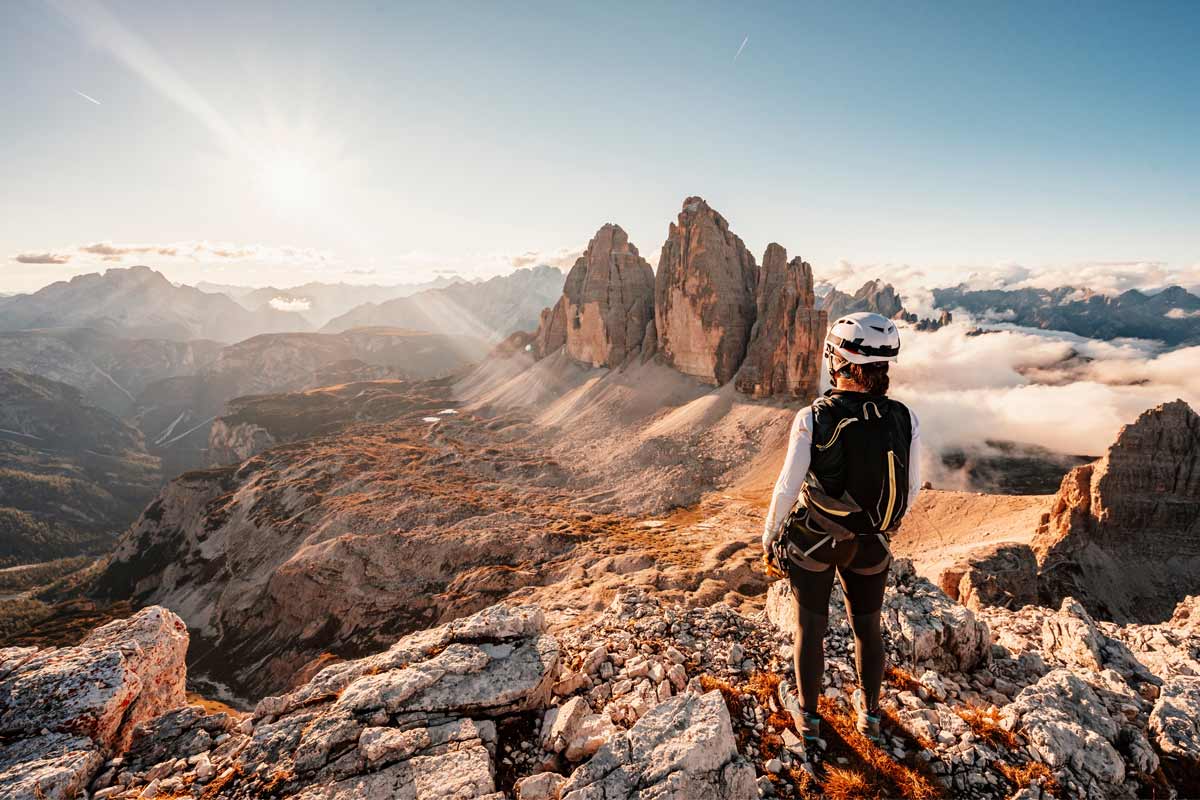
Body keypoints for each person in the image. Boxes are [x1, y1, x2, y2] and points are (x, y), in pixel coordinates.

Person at [762, 311, 921, 747]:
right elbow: (912, 487)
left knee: (810, 629)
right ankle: (869, 715)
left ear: (841, 362)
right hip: (872, 543)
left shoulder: (814, 416)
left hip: (817, 542)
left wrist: (770, 537)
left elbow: (786, 488)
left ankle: (809, 720)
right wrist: (877, 528)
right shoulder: (905, 417)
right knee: (867, 627)